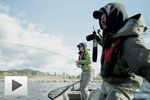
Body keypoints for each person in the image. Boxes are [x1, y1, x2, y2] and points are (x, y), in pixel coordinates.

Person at [92, 2, 150, 100]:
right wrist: (99, 40)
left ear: (115, 16)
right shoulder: (110, 39)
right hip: (106, 84)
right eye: (100, 17)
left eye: (105, 16)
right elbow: (112, 49)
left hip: (122, 86)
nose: (102, 19)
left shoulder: (129, 42)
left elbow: (147, 65)